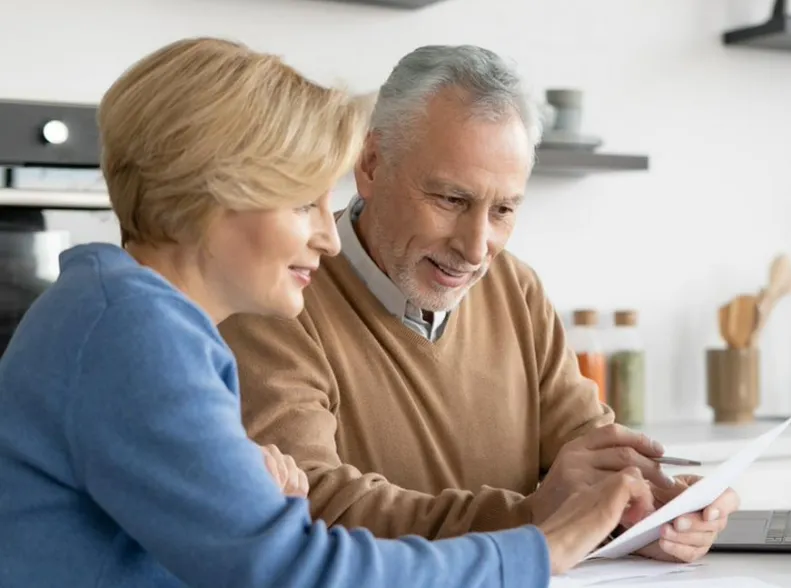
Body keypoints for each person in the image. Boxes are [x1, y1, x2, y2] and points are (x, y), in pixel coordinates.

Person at [0, 37, 657, 588]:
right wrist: (539, 549)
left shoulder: (127, 316)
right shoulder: (133, 332)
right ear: (216, 198)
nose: (329, 235)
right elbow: (295, 569)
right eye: (302, 203)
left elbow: (252, 548)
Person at [218, 44, 740, 563]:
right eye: (451, 200)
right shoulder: (277, 295)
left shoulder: (517, 288)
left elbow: (588, 449)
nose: (475, 247)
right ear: (372, 165)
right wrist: (535, 519)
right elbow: (315, 504)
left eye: (504, 209)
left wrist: (658, 506)